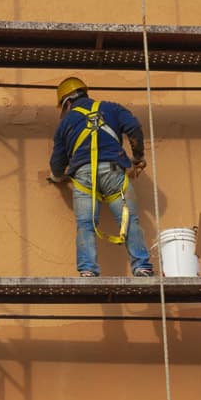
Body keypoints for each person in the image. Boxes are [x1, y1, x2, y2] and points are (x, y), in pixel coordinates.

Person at [47, 76, 154, 277]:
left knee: (86, 224)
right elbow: (133, 127)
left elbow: (57, 164)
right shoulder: (111, 108)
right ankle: (141, 266)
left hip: (83, 177)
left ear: (67, 103)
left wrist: (56, 177)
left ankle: (87, 270)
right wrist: (137, 157)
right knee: (129, 220)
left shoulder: (65, 124)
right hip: (113, 172)